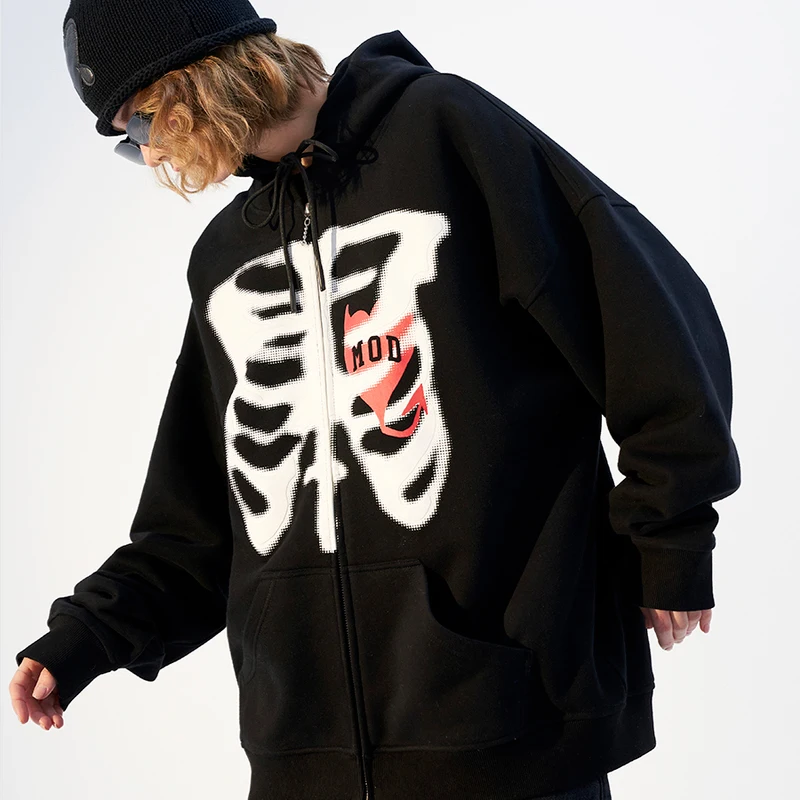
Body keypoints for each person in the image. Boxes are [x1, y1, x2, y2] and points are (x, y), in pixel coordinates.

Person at [8, 2, 742, 799]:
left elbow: (643, 317)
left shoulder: (446, 134)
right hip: (305, 759)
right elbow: (198, 525)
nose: (151, 154)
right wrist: (86, 637)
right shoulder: (225, 260)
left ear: (196, 81)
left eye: (142, 124)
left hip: (510, 729)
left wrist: (669, 534)